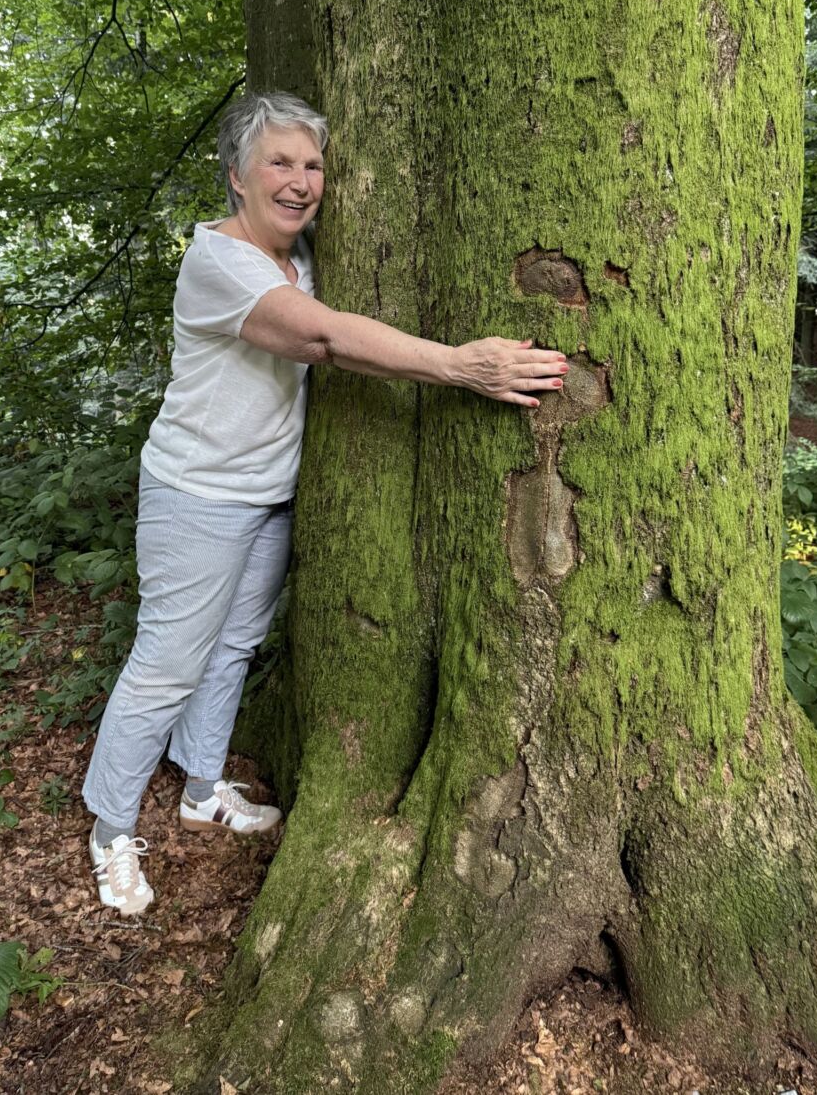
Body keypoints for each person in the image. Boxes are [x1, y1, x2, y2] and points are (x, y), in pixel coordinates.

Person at [82, 91, 570, 915]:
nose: (301, 181)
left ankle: (201, 790)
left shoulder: (299, 257)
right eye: (279, 161)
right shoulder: (218, 262)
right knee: (167, 661)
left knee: (234, 644)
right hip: (197, 494)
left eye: (312, 165)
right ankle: (109, 829)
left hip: (268, 491)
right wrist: (462, 365)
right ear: (237, 175)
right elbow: (322, 338)